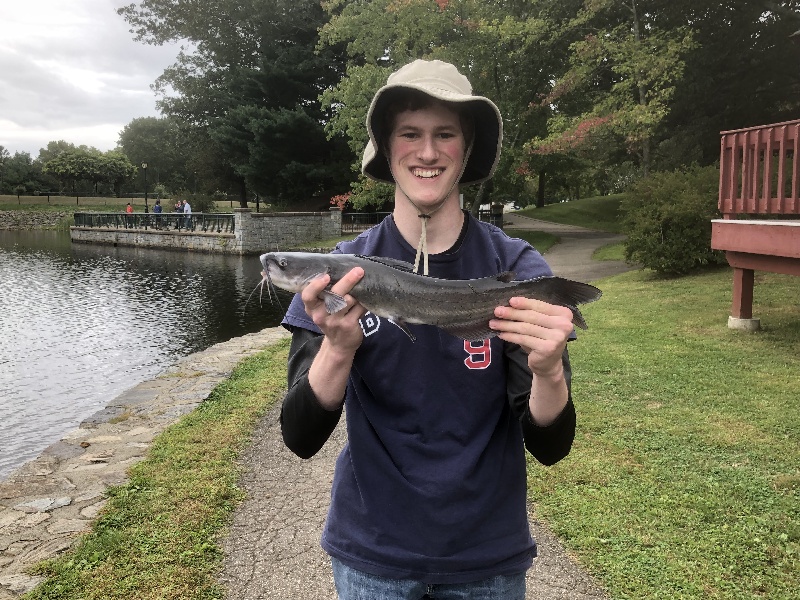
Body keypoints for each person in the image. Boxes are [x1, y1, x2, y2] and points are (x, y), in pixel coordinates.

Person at [280, 59, 577, 600]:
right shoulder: (339, 269)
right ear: (386, 148)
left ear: (466, 150)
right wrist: (338, 350)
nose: (427, 152)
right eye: (409, 134)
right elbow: (300, 438)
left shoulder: (518, 268)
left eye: (445, 135)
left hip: (488, 556)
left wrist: (549, 370)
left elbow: (551, 446)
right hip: (372, 553)